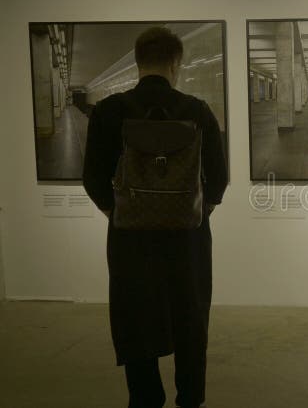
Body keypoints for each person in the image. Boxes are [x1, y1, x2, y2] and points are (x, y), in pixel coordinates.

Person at [83, 26, 228, 408]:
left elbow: (93, 178)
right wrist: (192, 212)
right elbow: (219, 179)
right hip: (188, 239)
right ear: (176, 62)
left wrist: (121, 212)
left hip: (131, 241)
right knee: (190, 316)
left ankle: (146, 398)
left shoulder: (109, 111)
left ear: (137, 61)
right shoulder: (197, 110)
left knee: (136, 316)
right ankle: (190, 398)